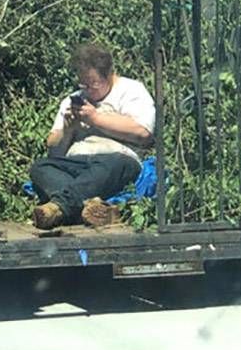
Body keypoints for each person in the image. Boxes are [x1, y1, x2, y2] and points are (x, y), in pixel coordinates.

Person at [29, 43, 155, 229]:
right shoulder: (72, 100)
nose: (88, 90)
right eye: (83, 84)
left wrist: (95, 118)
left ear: (109, 75)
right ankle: (90, 209)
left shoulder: (132, 91)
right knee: (40, 167)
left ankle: (60, 206)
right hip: (77, 162)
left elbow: (143, 133)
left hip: (114, 160)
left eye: (94, 84)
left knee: (112, 164)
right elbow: (54, 150)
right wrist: (68, 129)